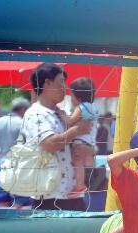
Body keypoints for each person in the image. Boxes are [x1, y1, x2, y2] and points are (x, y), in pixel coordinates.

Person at [21, 63, 93, 211]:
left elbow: (81, 145)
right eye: (61, 81)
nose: (65, 87)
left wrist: (89, 150)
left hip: (72, 195)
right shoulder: (35, 113)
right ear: (47, 83)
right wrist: (77, 130)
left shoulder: (62, 113)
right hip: (49, 197)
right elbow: (49, 144)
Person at [0, 97, 30, 206]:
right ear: (22, 109)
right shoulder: (23, 123)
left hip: (2, 164)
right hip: (20, 166)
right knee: (20, 201)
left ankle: (3, 221)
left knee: (2, 199)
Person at [64, 77, 100, 199]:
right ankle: (83, 183)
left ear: (78, 97)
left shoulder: (81, 107)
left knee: (77, 162)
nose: (70, 98)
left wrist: (62, 115)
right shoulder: (94, 107)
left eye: (71, 95)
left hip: (80, 140)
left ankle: (79, 185)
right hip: (90, 141)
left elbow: (70, 121)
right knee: (84, 162)